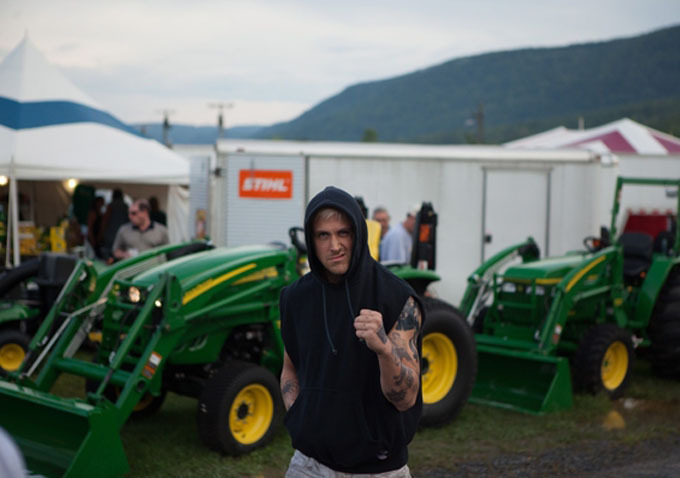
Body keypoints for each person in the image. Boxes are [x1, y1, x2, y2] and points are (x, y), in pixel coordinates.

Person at [280, 186, 424, 477]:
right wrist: (300, 415)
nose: (335, 245)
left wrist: (384, 349)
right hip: (310, 464)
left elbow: (406, 399)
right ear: (311, 240)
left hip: (379, 468)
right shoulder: (295, 298)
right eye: (323, 235)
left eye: (343, 233)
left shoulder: (396, 298)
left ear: (358, 233)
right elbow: (290, 367)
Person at [100, 189, 129, 260]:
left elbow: (105, 220)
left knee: (110, 254)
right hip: (123, 234)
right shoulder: (125, 206)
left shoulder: (111, 205)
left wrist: (101, 233)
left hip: (111, 234)